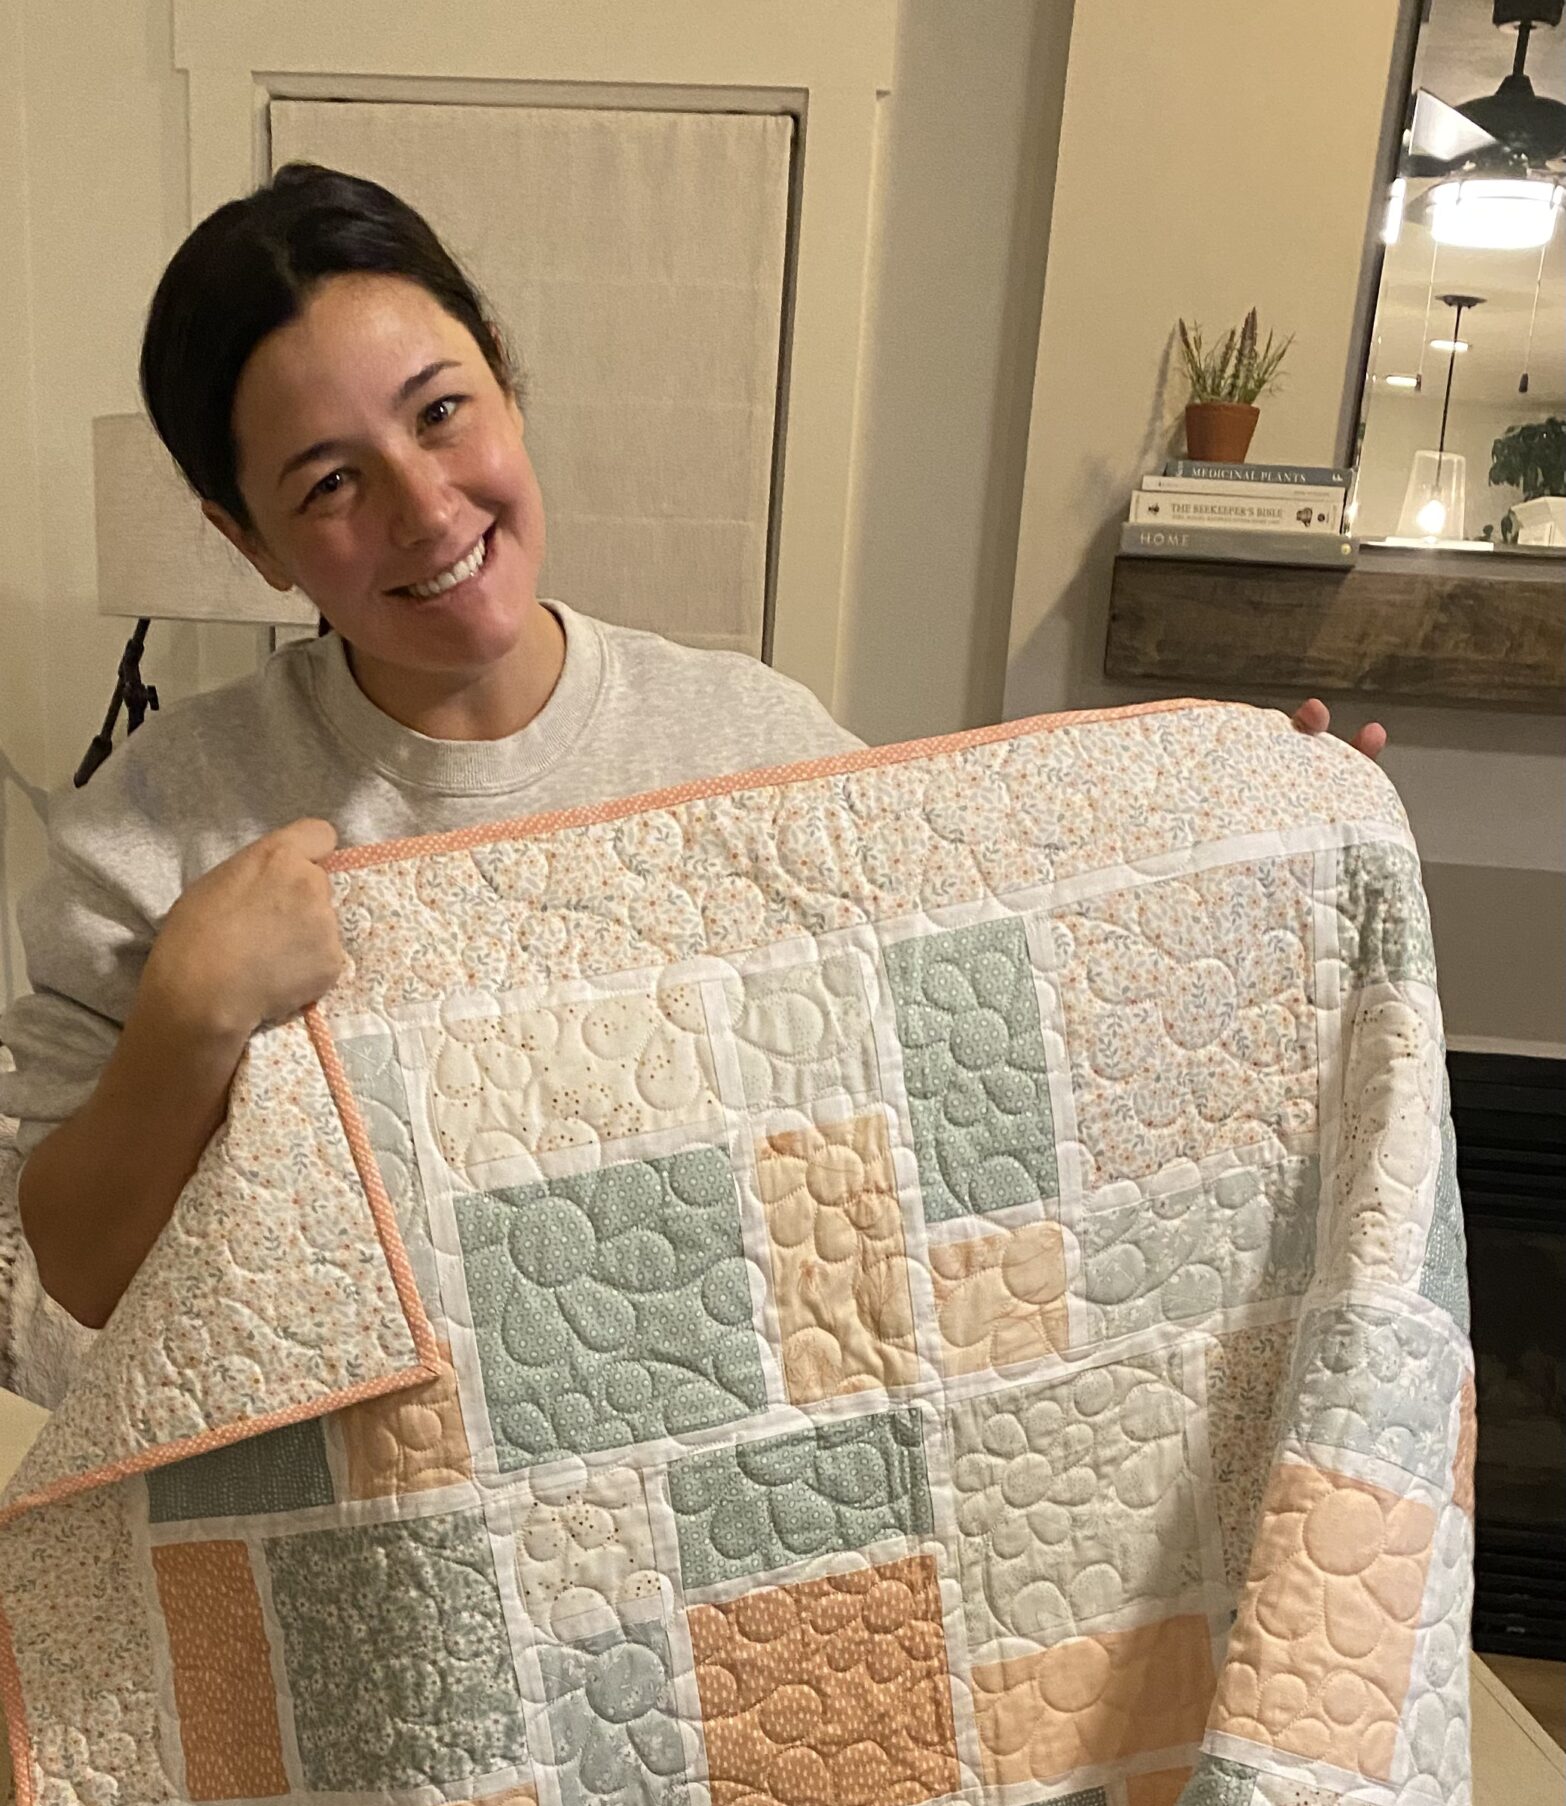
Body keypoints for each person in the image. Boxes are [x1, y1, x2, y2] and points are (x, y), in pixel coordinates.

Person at [0, 160, 1386, 1347]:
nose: (424, 510)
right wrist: (190, 1015)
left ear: (506, 381)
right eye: (329, 483)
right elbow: (83, 1276)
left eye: (440, 412)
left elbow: (990, 1048)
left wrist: (1258, 854)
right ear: (246, 537)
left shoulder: (755, 750)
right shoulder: (156, 830)